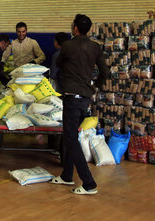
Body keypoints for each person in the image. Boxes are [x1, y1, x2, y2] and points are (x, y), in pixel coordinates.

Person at [50, 14, 108, 195]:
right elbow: (105, 72)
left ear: (75, 28)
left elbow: (58, 63)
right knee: (71, 136)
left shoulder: (68, 46)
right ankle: (67, 175)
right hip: (85, 98)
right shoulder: (95, 47)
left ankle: (89, 182)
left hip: (71, 97)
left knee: (70, 140)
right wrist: (94, 85)